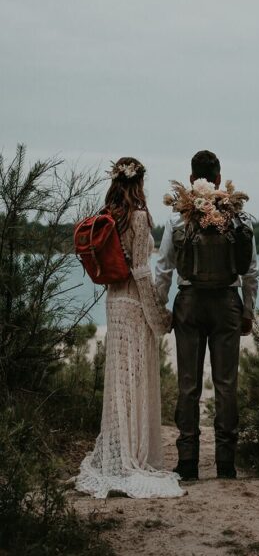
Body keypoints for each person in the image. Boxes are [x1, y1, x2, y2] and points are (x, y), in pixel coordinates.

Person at [76, 157, 184, 499]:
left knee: (119, 379)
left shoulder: (109, 215)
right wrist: (158, 314)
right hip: (135, 306)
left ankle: (118, 448)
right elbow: (140, 270)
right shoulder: (138, 217)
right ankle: (133, 454)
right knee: (135, 378)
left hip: (113, 304)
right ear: (139, 182)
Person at [155, 150, 259, 480]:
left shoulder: (178, 219)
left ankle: (187, 462)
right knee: (227, 385)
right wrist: (248, 312)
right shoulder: (240, 218)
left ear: (190, 179)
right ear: (218, 178)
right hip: (227, 303)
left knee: (188, 385)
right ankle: (226, 464)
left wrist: (160, 309)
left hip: (189, 304)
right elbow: (251, 273)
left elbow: (162, 270)